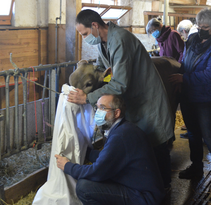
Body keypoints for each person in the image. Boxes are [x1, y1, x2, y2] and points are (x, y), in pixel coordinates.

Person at [68, 9, 174, 189]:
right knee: (142, 146)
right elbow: (103, 70)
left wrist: (88, 97)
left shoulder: (119, 40)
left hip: (147, 100)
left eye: (84, 33)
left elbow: (120, 84)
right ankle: (149, 187)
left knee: (156, 142)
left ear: (94, 26)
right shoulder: (103, 42)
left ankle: (163, 190)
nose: (85, 38)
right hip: (133, 102)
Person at [55, 94, 165, 205]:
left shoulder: (121, 136)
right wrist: (86, 152)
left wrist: (67, 166)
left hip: (145, 199)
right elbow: (107, 157)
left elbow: (97, 171)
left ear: (116, 113)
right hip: (140, 190)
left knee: (84, 188)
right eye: (97, 108)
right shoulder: (123, 129)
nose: (97, 112)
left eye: (102, 108)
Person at [170, 8, 211, 191]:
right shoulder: (193, 40)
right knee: (193, 134)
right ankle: (196, 167)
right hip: (189, 95)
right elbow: (186, 63)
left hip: (207, 98)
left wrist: (184, 79)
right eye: (200, 26)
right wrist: (182, 78)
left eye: (206, 27)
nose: (202, 29)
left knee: (209, 136)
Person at [176, 19, 198, 139]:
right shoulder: (194, 38)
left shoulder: (192, 39)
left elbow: (188, 61)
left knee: (193, 113)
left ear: (184, 31)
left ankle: (194, 134)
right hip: (193, 79)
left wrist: (183, 76)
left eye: (182, 34)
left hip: (193, 81)